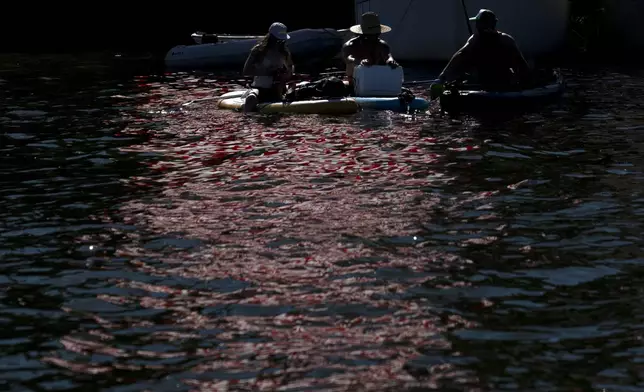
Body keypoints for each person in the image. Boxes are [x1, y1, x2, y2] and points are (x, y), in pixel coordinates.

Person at [430, 9, 531, 97]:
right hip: (493, 83)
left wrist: (442, 77)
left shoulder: (478, 40)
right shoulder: (506, 39)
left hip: (498, 83)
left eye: (478, 23)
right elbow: (461, 55)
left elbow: (460, 55)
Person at [242, 22, 294, 112]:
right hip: (259, 88)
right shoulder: (258, 50)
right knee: (251, 99)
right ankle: (246, 120)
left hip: (278, 90)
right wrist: (268, 72)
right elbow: (246, 71)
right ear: (271, 37)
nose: (279, 42)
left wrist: (285, 75)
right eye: (277, 39)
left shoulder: (285, 52)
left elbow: (290, 69)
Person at [342, 12, 399, 87]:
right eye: (372, 34)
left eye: (377, 34)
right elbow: (348, 57)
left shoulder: (382, 44)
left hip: (378, 80)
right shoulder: (351, 45)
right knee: (351, 65)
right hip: (356, 81)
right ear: (363, 34)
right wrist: (359, 61)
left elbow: (388, 56)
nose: (376, 36)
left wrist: (390, 61)